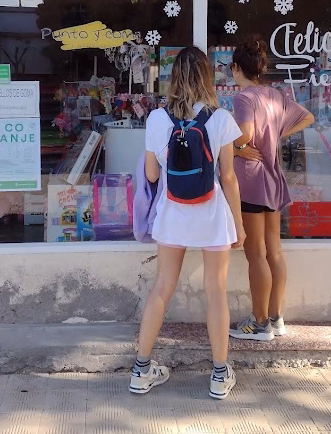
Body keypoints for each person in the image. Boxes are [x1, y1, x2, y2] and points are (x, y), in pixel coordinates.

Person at [130, 46, 246, 400]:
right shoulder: (222, 119)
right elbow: (228, 177)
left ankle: (140, 371)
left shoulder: (157, 119)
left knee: (162, 288)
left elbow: (151, 172)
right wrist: (239, 226)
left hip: (172, 215)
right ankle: (219, 375)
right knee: (215, 292)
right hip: (211, 216)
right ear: (207, 77)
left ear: (173, 78)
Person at [228, 38, 314, 341]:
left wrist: (235, 147)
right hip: (274, 178)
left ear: (236, 68)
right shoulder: (276, 95)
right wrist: (276, 134)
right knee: (274, 251)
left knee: (255, 254)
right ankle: (276, 318)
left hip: (251, 181)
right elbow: (308, 117)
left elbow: (246, 135)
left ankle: (259, 322)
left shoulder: (243, 98)